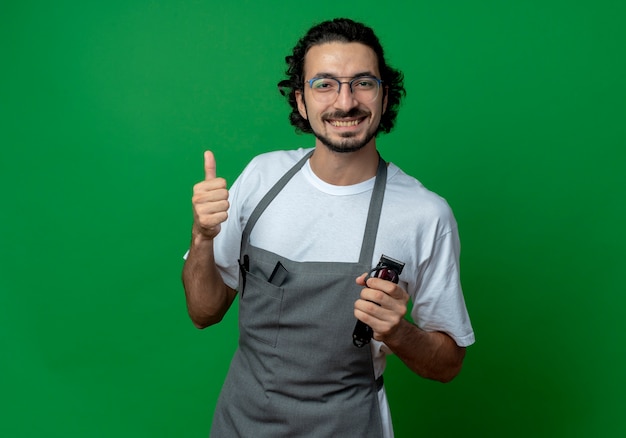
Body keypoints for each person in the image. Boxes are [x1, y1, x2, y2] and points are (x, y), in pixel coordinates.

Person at [182, 17, 474, 438]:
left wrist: (399, 332)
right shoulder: (261, 179)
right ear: (300, 100)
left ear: (384, 95)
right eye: (325, 84)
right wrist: (201, 238)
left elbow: (448, 365)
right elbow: (203, 312)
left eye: (363, 83)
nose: (345, 102)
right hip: (239, 424)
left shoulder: (425, 215)